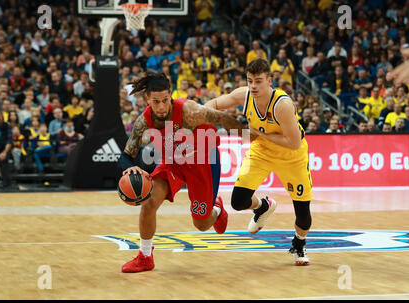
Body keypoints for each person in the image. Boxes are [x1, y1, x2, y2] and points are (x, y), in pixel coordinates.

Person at [120, 73, 245, 273]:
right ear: (147, 100)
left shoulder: (189, 110)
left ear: (171, 96)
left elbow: (224, 119)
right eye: (156, 102)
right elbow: (126, 155)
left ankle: (217, 209)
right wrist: (129, 166)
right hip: (173, 163)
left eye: (165, 101)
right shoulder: (144, 121)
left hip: (202, 162)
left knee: (201, 224)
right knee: (149, 202)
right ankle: (145, 257)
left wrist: (252, 135)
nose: (161, 106)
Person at [205, 59, 312, 266]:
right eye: (250, 81)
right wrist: (204, 114)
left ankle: (299, 244)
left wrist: (259, 133)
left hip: (292, 157)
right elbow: (215, 103)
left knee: (303, 215)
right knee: (238, 201)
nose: (253, 86)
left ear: (269, 81)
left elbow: (294, 143)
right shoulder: (244, 95)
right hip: (262, 152)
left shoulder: (282, 105)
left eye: (259, 81)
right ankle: (263, 206)